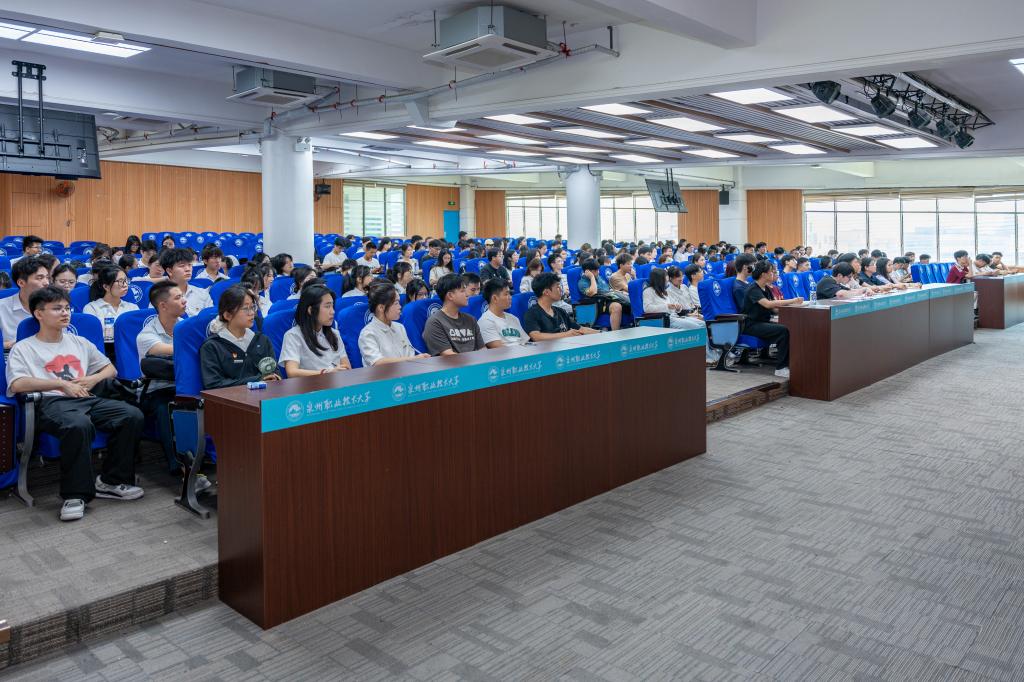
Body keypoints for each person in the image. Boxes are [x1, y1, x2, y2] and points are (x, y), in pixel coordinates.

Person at [7, 285, 144, 521]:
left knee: (131, 415)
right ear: (38, 314)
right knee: (78, 425)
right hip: (51, 402)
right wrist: (60, 385)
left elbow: (110, 369)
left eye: (67, 308)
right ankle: (75, 495)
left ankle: (111, 481)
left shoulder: (79, 341)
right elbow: (18, 384)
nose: (65, 313)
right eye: (57, 308)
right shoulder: (24, 347)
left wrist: (92, 379)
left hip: (85, 397)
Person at [199, 285, 279, 389]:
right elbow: (213, 384)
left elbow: (275, 373)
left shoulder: (262, 340)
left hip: (266, 396)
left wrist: (275, 378)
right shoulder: (212, 346)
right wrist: (257, 380)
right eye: (246, 308)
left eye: (253, 307)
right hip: (230, 398)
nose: (252, 313)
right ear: (227, 315)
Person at [742, 261, 801, 378]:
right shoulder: (753, 289)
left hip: (763, 322)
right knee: (783, 330)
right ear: (763, 274)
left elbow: (774, 309)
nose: (773, 274)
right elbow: (768, 304)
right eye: (771, 272)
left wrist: (792, 309)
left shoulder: (766, 289)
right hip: (751, 325)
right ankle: (780, 368)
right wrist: (793, 301)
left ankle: (791, 363)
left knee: (791, 326)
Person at [279, 284, 350, 377]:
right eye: (327, 306)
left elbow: (347, 368)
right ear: (311, 310)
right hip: (311, 385)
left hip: (337, 383)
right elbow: (292, 372)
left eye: (332, 306)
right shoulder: (293, 336)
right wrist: (326, 373)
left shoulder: (334, 334)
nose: (333, 311)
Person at [359, 281, 429, 366]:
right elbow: (377, 362)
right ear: (381, 307)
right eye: (396, 303)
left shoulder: (400, 327)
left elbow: (409, 354)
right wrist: (413, 359)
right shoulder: (368, 333)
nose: (400, 307)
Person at [524, 272, 599, 341]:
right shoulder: (532, 314)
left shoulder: (560, 311)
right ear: (546, 292)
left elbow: (581, 329)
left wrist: (601, 333)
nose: (561, 289)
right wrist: (566, 334)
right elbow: (536, 337)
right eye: (557, 287)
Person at [422, 273, 484, 355]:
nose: (467, 295)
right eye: (462, 291)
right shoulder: (435, 322)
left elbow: (482, 349)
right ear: (450, 295)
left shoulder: (471, 319)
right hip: (455, 363)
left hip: (476, 361)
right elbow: (448, 355)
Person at [1, 257, 50, 348]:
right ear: (21, 283)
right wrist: (9, 345)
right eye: (40, 278)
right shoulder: (1, 308)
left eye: (47, 277)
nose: (46, 282)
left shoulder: (55, 306)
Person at [83, 266, 139, 344]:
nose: (125, 285)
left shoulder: (133, 308)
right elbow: (93, 336)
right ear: (106, 286)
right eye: (120, 281)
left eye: (126, 281)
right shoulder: (91, 308)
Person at [161, 248, 212, 316]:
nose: (188, 269)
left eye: (190, 265)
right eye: (182, 266)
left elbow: (211, 318)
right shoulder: (161, 297)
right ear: (169, 271)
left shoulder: (202, 293)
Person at [478, 278, 528, 348]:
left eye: (510, 294)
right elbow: (499, 349)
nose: (510, 297)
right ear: (495, 298)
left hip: (524, 352)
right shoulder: (485, 321)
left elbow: (526, 342)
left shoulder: (513, 318)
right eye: (506, 294)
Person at [577, 258, 625, 331]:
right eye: (595, 271)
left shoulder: (599, 278)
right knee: (616, 306)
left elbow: (607, 290)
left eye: (598, 270)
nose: (598, 272)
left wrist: (619, 292)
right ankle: (616, 333)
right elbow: (593, 292)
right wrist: (592, 278)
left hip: (608, 298)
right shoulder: (582, 283)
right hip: (597, 303)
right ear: (587, 272)